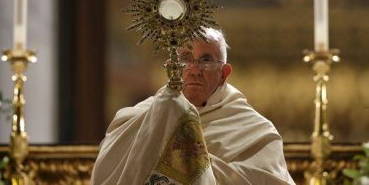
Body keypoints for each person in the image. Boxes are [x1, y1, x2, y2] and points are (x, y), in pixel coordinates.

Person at [91, 27, 295, 185]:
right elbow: (107, 174)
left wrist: (185, 160)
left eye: (206, 60)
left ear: (224, 73)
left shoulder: (256, 131)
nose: (195, 70)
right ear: (171, 67)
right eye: (186, 59)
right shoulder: (140, 117)